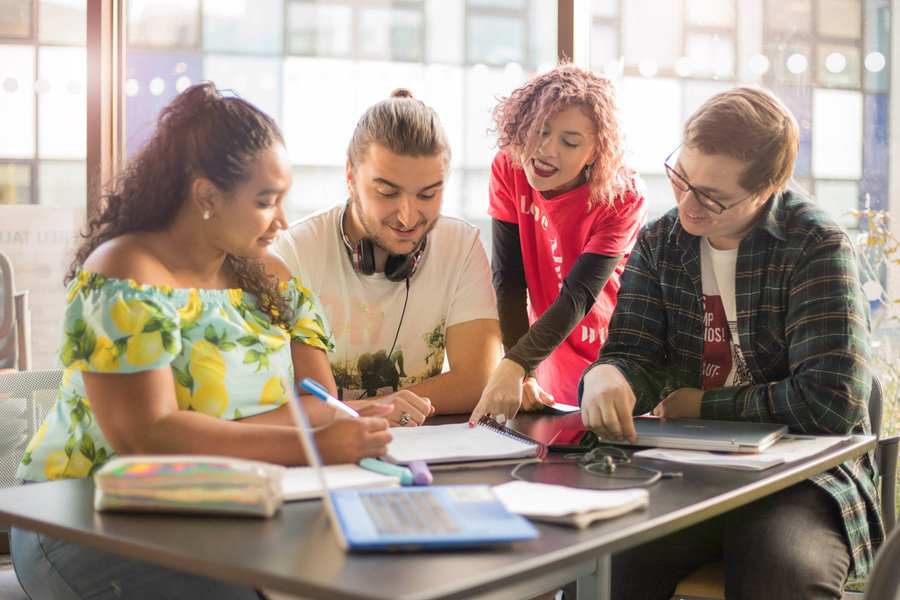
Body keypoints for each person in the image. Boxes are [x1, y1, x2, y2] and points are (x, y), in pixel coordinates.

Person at [12, 83, 393, 600]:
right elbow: (147, 438)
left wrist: (209, 432)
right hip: (83, 516)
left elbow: (319, 404)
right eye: (265, 201)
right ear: (207, 196)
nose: (282, 220)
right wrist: (307, 446)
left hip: (218, 503)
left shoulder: (273, 278)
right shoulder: (125, 272)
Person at [580, 87, 883, 600]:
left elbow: (831, 400)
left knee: (776, 570)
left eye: (712, 197)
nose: (687, 205)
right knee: (608, 556)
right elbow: (636, 354)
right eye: (682, 178)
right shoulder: (660, 242)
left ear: (768, 188)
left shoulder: (815, 246)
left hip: (803, 478)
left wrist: (702, 405)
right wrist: (609, 375)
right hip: (688, 469)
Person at [274, 89, 502, 426]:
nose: (408, 218)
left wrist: (381, 407)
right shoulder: (293, 252)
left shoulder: (461, 244)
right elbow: (277, 399)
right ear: (350, 176)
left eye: (428, 194)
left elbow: (479, 380)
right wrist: (379, 409)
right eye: (387, 193)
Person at [469, 64, 646, 423]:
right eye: (540, 131)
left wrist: (516, 363)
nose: (546, 150)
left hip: (611, 361)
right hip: (546, 355)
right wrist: (524, 369)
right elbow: (508, 277)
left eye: (569, 141)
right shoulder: (509, 166)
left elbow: (579, 294)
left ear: (597, 151)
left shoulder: (622, 195)